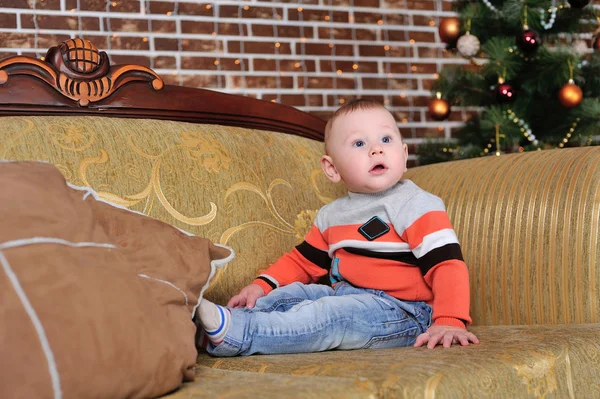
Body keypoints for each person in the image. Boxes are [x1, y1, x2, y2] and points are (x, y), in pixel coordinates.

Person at [196, 99, 479, 357]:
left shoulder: (417, 204)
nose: (376, 148)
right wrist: (260, 286)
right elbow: (303, 262)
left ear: (404, 155)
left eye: (386, 139)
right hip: (345, 295)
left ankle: (238, 335)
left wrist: (449, 321)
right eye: (359, 144)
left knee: (330, 316)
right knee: (291, 295)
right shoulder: (331, 215)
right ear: (332, 169)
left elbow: (447, 265)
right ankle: (209, 328)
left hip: (404, 312)